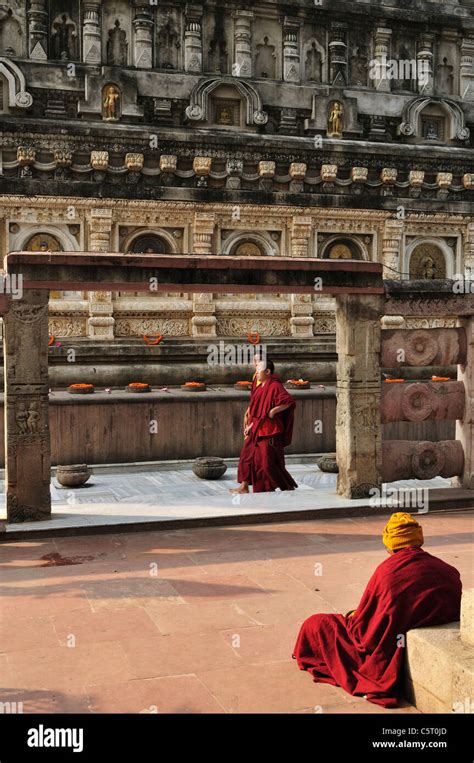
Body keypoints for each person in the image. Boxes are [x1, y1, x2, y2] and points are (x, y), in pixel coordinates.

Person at [292, 512, 462, 707]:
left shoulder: (387, 572)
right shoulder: (447, 569)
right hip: (430, 625)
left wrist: (352, 616)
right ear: (419, 540)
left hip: (390, 639)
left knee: (316, 624)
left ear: (390, 545)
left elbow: (365, 633)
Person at [231, 359, 297, 494]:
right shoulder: (261, 386)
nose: (256, 373)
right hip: (257, 428)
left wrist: (274, 411)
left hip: (269, 430)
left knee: (267, 463)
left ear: (267, 372)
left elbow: (289, 401)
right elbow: (258, 410)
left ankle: (286, 487)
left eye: (258, 370)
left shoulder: (274, 386)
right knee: (246, 457)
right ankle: (244, 486)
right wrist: (251, 425)